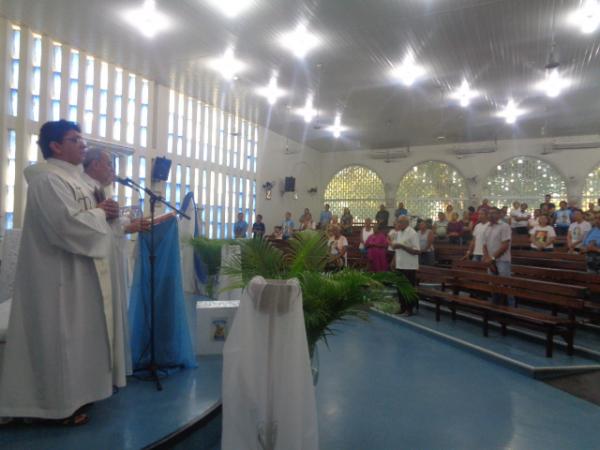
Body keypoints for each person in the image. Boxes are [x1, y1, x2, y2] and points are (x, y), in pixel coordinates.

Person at [0, 120, 118, 425]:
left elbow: (94, 221)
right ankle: (53, 408)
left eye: (82, 138)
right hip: (57, 276)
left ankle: (79, 396)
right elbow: (66, 225)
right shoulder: (48, 180)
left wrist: (109, 213)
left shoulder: (78, 180)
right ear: (55, 146)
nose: (83, 144)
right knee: (60, 339)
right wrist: (102, 213)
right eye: (75, 139)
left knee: (78, 338)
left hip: (81, 270)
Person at [82, 148, 149, 389]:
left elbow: (110, 223)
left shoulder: (102, 188)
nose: (113, 170)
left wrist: (126, 224)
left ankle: (118, 367)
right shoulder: (85, 188)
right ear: (93, 165)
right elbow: (92, 225)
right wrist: (127, 227)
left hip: (113, 255)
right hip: (98, 260)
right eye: (108, 164)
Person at [389, 217, 420, 314]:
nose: (398, 224)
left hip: (409, 266)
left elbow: (417, 251)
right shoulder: (399, 233)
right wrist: (393, 261)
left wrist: (402, 246)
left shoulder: (413, 233)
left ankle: (409, 309)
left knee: (408, 289)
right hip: (400, 264)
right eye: (398, 222)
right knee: (400, 288)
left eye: (400, 222)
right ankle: (402, 307)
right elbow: (397, 249)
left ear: (406, 223)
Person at [482, 206, 512, 279]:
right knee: (492, 284)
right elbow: (484, 245)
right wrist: (487, 259)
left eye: (493, 213)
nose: (491, 215)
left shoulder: (505, 226)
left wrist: (492, 258)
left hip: (502, 260)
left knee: (504, 284)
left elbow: (505, 245)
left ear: (499, 214)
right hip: (490, 261)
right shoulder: (486, 227)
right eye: (489, 213)